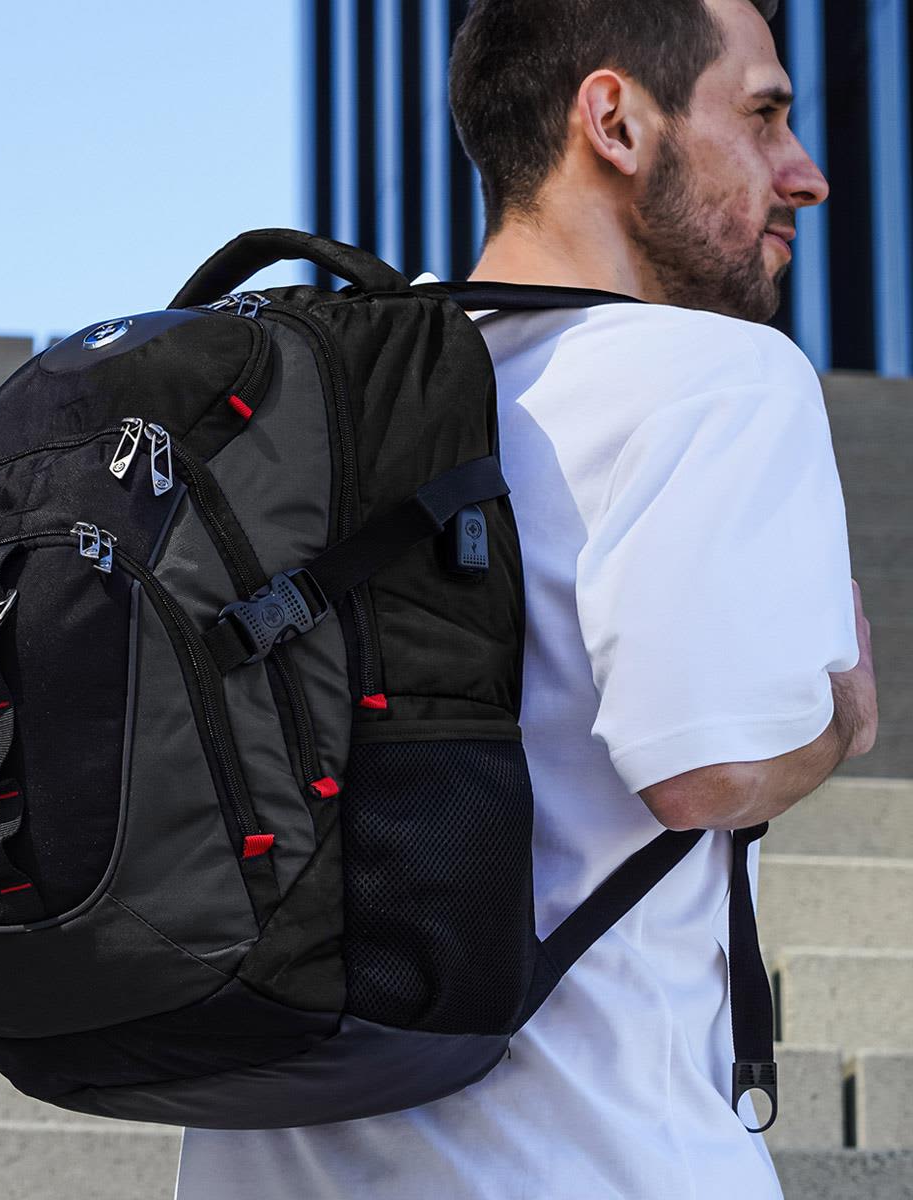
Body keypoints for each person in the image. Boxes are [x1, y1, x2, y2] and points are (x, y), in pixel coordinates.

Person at [175, 0, 879, 1195]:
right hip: (590, 1160)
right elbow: (702, 772)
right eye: (762, 114)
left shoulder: (330, 404)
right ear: (614, 120)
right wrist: (846, 716)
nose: (801, 175)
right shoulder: (719, 378)